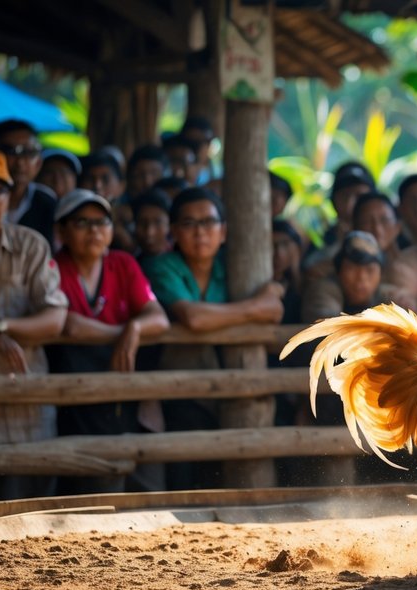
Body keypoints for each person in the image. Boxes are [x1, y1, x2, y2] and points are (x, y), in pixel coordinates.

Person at [142, 187, 285, 490]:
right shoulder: (161, 266)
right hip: (175, 389)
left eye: (208, 223)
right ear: (174, 231)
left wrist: (259, 305)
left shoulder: (235, 267)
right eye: (189, 224)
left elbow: (274, 306)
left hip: (227, 388)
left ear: (223, 231)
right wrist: (254, 308)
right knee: (181, 475)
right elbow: (194, 318)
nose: (200, 233)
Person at [46, 189, 169, 494]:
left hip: (123, 393)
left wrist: (136, 329)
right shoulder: (53, 267)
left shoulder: (122, 263)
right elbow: (68, 326)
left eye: (101, 222)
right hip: (71, 395)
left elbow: (160, 319)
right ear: (61, 231)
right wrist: (125, 332)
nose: (94, 230)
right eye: (82, 222)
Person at [0, 148, 68, 502]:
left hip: (20, 413)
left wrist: (1, 328)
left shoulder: (32, 246)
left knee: (16, 526)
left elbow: (55, 319)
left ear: (10, 197)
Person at [300, 231, 396, 322]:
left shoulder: (389, 295)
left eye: (370, 270)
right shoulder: (324, 289)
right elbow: (325, 325)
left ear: (381, 274)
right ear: (339, 270)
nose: (361, 277)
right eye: (352, 268)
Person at [0, 119, 57, 246]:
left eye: (29, 152)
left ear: (39, 162)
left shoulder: (47, 203)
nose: (20, 162)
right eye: (10, 151)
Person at [130, 190, 172, 266]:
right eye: (142, 223)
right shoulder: (130, 265)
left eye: (158, 223)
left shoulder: (184, 261)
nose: (149, 232)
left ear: (170, 225)